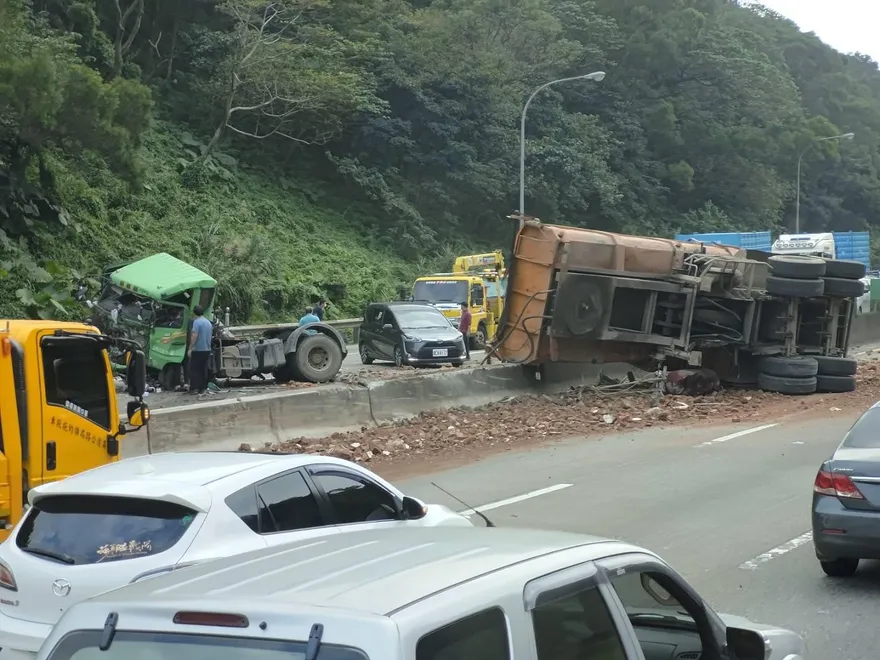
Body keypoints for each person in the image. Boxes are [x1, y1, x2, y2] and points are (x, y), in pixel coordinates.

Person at [188, 305, 213, 395]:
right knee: (203, 369)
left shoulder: (197, 322)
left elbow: (194, 335)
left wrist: (190, 348)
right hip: (207, 349)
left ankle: (194, 388)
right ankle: (203, 388)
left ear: (194, 313)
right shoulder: (208, 322)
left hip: (198, 349)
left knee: (194, 369)